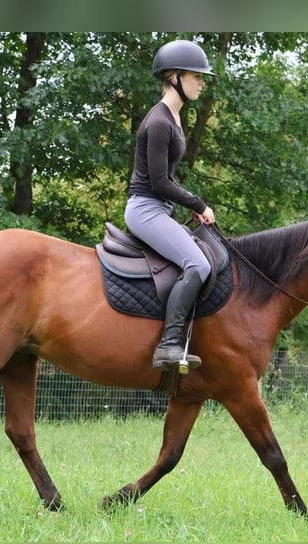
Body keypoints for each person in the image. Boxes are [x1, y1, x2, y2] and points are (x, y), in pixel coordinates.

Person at [124, 39, 217, 372]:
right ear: (175, 76)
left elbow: (164, 182)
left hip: (158, 208)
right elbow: (160, 182)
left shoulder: (174, 118)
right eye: (197, 76)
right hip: (145, 209)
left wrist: (187, 204)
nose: (202, 83)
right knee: (198, 265)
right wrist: (198, 202)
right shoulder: (160, 122)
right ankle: (168, 346)